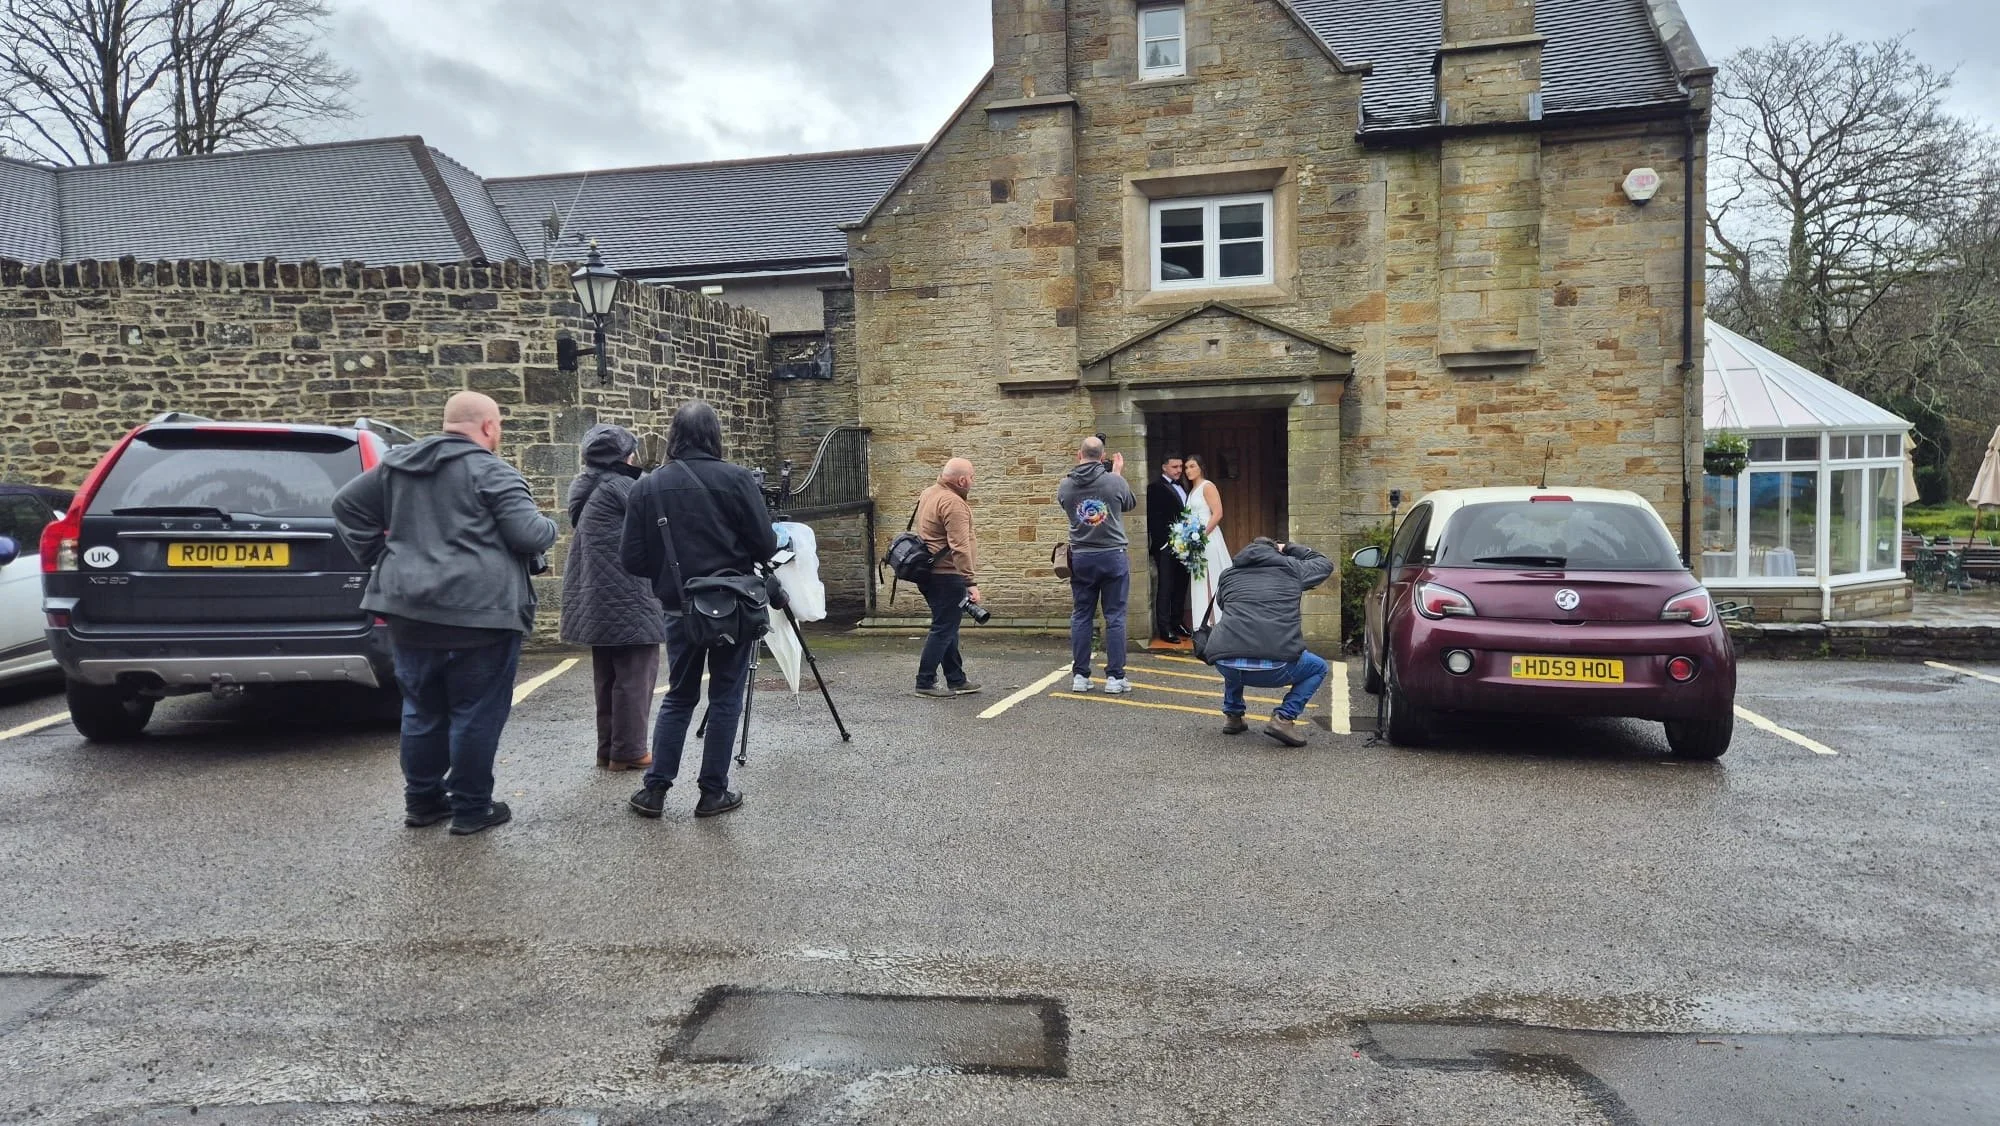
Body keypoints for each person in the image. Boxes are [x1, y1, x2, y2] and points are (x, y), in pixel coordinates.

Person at [332, 390, 558, 835]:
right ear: (490, 427)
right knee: (475, 711)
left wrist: (383, 557)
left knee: (421, 708)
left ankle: (422, 802)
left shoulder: (398, 466)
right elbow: (529, 534)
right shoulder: (493, 471)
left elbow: (346, 506)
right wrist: (550, 524)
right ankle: (472, 808)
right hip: (481, 614)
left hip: (409, 608)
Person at [620, 400, 778, 820]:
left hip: (679, 608)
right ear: (714, 435)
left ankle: (654, 791)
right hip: (732, 608)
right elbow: (765, 544)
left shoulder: (646, 487)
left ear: (673, 436)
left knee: (679, 696)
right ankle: (712, 793)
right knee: (725, 696)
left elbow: (632, 559)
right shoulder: (736, 479)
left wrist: (672, 573)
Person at [560, 423, 667, 772]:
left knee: (607, 676)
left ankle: (608, 748)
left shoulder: (586, 487)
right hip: (630, 595)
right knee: (636, 674)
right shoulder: (625, 487)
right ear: (625, 456)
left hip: (595, 596)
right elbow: (660, 529)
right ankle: (630, 750)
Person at [1203, 537, 1336, 747]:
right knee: (1318, 667)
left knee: (1236, 645)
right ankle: (1284, 718)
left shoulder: (1228, 575)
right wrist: (1289, 548)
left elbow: (1222, 604)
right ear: (1277, 552)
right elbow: (1324, 563)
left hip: (1226, 665)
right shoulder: (1292, 569)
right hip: (1277, 666)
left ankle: (1233, 716)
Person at [1058, 437, 1137, 693]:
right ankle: (1115, 677)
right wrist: (1117, 473)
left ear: (1078, 454)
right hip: (1112, 554)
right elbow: (1129, 503)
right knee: (1114, 616)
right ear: (1103, 456)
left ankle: (1080, 676)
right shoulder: (1113, 480)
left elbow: (1067, 507)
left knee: (1081, 614)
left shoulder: (1066, 485)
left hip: (1081, 556)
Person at [912, 457, 982, 699]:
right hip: (946, 575)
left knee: (948, 626)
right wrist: (970, 581)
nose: (973, 481)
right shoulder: (953, 503)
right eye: (972, 477)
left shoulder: (929, 492)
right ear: (962, 480)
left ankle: (956, 679)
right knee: (943, 628)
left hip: (929, 573)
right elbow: (959, 547)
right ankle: (925, 682)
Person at [1183, 454, 1234, 631]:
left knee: (1211, 575)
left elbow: (1217, 513)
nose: (1188, 470)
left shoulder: (1207, 486)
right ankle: (1204, 621)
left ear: (1201, 467)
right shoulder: (1191, 491)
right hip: (1195, 539)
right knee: (1200, 578)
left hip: (1208, 537)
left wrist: (1202, 536)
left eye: (1192, 466)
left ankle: (1217, 621)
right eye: (1186, 467)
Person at [1146, 454, 1191, 648]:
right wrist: (1163, 544)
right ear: (1164, 467)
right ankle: (1164, 628)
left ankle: (1177, 622)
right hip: (1166, 547)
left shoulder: (1184, 487)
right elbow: (1154, 518)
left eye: (1180, 466)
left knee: (1181, 584)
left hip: (1184, 545)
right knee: (1166, 587)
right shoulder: (1155, 488)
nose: (1179, 470)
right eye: (1174, 467)